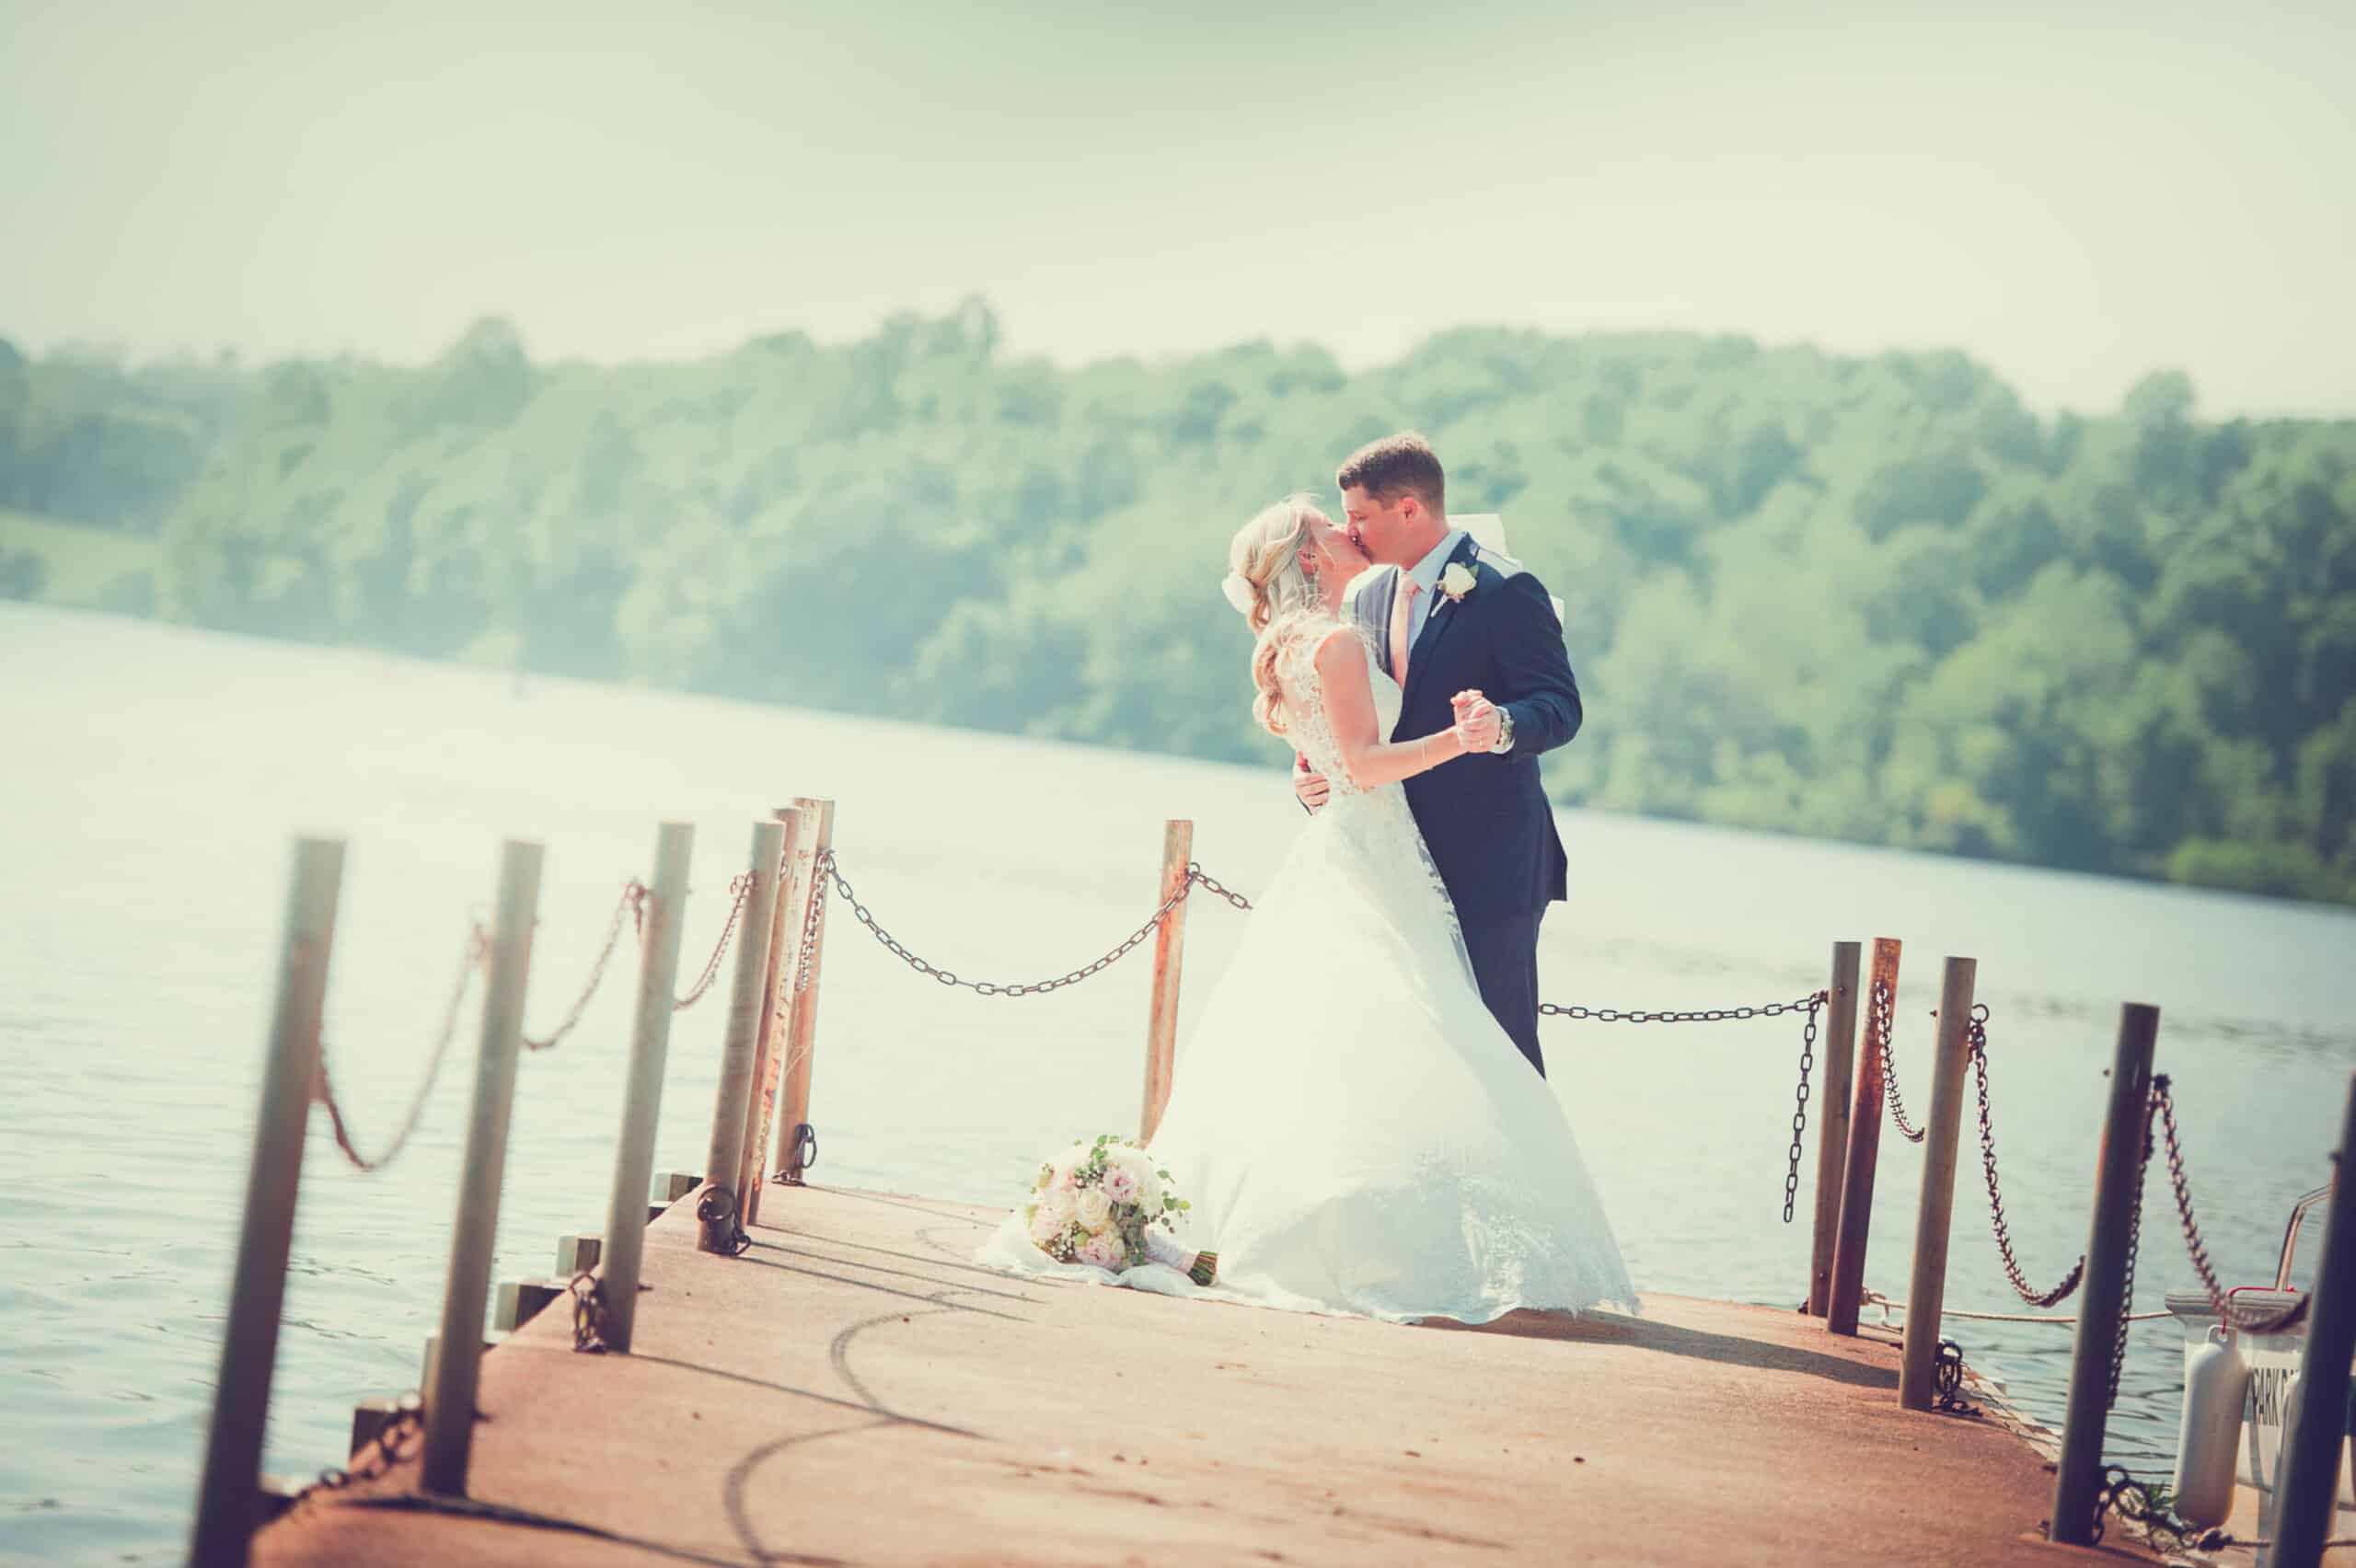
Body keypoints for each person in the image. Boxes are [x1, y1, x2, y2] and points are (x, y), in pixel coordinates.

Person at [977, 488, 1632, 1323]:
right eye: (1330, 524)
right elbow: (1359, 763)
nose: (1347, 528)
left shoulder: (1325, 631)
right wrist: (1453, 740)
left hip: (1379, 854)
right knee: (1400, 1044)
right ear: (1313, 555)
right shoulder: (1337, 638)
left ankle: (1355, 1234)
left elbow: (1337, 748)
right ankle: (1382, 1247)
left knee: (1349, 1045)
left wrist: (1333, 762)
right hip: (1374, 852)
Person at [1296, 432, 1581, 1078]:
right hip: (1395, 862)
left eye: (1359, 515)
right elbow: (1363, 722)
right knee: (1411, 1055)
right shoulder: (1369, 596)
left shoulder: (1508, 590)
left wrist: (1500, 724)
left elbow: (1560, 706)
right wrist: (1318, 769)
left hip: (1492, 867)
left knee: (1501, 1053)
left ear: (1408, 510)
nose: (1349, 531)